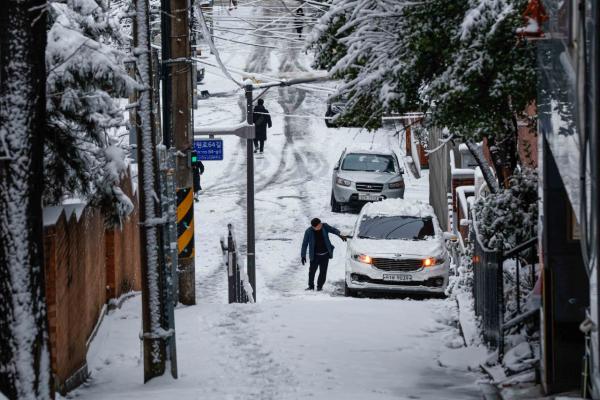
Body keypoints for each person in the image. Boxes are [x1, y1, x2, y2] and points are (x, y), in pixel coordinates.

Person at [300, 218, 346, 291]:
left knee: (323, 272)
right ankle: (311, 286)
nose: (321, 225)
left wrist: (340, 235)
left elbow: (333, 230)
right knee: (312, 272)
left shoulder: (324, 226)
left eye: (320, 223)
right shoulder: (308, 231)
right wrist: (303, 256)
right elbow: (304, 244)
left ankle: (319, 286)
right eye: (319, 225)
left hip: (325, 255)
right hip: (315, 256)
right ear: (314, 227)